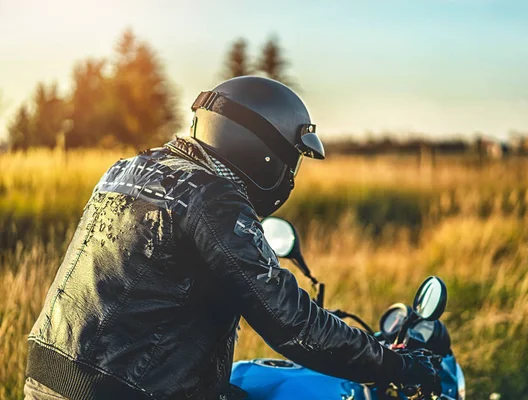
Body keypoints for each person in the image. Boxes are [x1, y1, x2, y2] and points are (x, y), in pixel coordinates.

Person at [25, 76, 440, 399]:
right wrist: (397, 367)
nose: (290, 173)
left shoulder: (127, 170)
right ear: (262, 152)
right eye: (290, 159)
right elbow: (294, 325)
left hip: (50, 383)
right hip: (126, 392)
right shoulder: (214, 198)